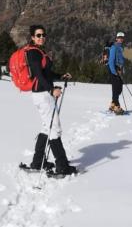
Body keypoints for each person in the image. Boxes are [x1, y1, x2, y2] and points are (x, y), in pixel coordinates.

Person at [26, 24, 77, 176]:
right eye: (38, 35)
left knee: (45, 127)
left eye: (43, 35)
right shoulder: (33, 53)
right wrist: (51, 89)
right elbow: (38, 75)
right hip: (43, 95)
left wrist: (60, 75)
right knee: (55, 128)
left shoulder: (39, 51)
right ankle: (62, 167)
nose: (42, 37)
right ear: (32, 37)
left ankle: (38, 162)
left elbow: (46, 73)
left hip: (42, 94)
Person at [108, 31, 126, 115]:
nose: (121, 39)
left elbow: (121, 60)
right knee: (116, 89)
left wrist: (122, 69)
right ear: (116, 38)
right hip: (114, 70)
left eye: (122, 37)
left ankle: (112, 104)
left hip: (119, 70)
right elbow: (111, 61)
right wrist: (114, 72)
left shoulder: (120, 48)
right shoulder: (114, 47)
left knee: (119, 89)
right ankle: (116, 106)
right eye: (119, 37)